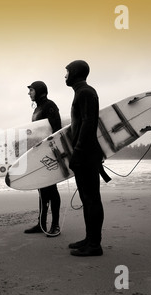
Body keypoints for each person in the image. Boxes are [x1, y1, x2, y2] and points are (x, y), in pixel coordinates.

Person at [65, 60, 105, 256]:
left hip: (86, 153)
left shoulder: (86, 92)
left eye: (67, 72)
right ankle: (90, 239)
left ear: (75, 73)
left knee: (91, 199)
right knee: (86, 198)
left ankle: (95, 245)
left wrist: (78, 151)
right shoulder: (82, 92)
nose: (65, 76)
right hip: (86, 153)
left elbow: (89, 123)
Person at [24, 81, 62, 237]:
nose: (29, 93)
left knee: (51, 189)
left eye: (31, 90)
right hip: (40, 154)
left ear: (39, 91)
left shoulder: (49, 106)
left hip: (50, 154)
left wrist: (54, 153)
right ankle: (41, 223)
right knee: (41, 188)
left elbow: (57, 129)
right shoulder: (38, 109)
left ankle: (56, 225)